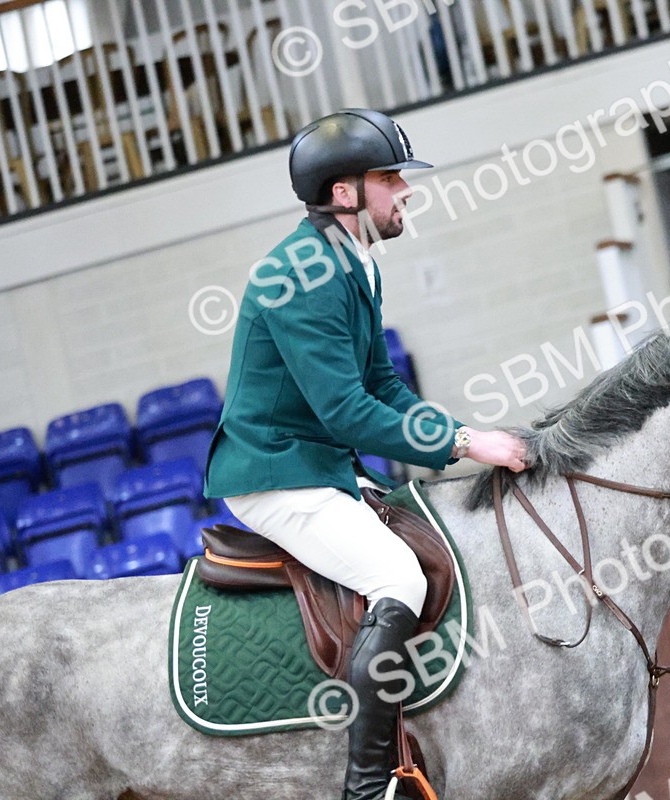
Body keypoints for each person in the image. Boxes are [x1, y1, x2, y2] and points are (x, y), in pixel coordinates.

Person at [203, 108, 528, 800]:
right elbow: (347, 411)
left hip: (321, 464)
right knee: (397, 579)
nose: (405, 190)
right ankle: (369, 786)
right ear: (345, 193)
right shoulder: (301, 274)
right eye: (390, 178)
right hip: (276, 474)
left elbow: (382, 385)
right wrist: (467, 444)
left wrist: (465, 432)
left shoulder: (355, 264)